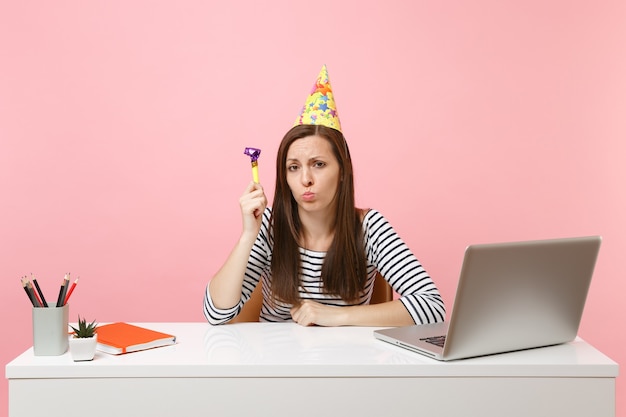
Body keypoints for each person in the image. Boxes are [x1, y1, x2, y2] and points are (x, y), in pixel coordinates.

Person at [204, 65, 445, 326]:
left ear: (342, 171)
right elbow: (217, 314)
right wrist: (248, 236)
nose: (305, 179)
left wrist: (337, 315)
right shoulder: (269, 225)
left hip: (346, 365)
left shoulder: (370, 228)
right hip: (275, 364)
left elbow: (432, 308)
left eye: (318, 164)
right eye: (293, 167)